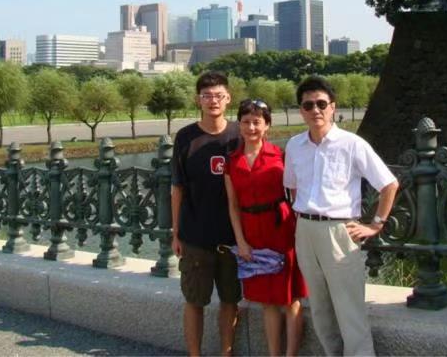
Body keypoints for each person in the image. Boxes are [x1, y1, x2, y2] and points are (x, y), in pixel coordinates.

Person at [283, 76, 399, 356]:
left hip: (339, 232)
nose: (315, 110)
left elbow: (389, 184)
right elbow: (292, 186)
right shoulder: (294, 145)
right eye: (308, 105)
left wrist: (376, 225)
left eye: (321, 104)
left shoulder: (352, 144)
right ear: (301, 110)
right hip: (305, 230)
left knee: (350, 311)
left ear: (333, 107)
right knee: (320, 309)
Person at [225, 99, 307, 357]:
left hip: (281, 229)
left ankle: (290, 355)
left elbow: (297, 193)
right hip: (251, 233)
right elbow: (232, 206)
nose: (251, 128)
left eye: (257, 122)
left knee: (290, 298)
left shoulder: (281, 156)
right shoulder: (232, 161)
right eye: (246, 122)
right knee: (267, 302)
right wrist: (241, 242)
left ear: (267, 125)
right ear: (239, 125)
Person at [171, 71, 241, 356]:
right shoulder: (186, 137)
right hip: (195, 237)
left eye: (219, 96)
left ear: (228, 99)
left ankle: (226, 352)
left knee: (230, 301)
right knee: (194, 301)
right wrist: (176, 233)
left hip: (233, 238)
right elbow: (177, 188)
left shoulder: (239, 134)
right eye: (207, 96)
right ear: (198, 100)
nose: (213, 101)